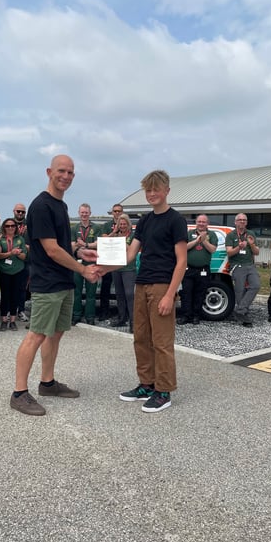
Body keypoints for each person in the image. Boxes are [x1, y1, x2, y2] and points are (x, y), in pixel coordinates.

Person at [10, 154, 99, 416]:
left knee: (56, 333)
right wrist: (82, 269)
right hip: (47, 283)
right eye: (61, 171)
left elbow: (60, 244)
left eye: (70, 172)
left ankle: (47, 383)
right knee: (36, 334)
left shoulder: (61, 205)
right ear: (49, 172)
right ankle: (19, 393)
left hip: (63, 281)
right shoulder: (41, 206)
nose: (66, 176)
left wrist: (80, 252)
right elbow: (50, 249)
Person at [100, 170, 187, 413]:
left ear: (167, 190)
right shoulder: (145, 221)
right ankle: (147, 384)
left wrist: (170, 294)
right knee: (141, 337)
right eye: (148, 190)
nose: (151, 193)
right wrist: (103, 268)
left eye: (156, 189)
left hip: (162, 285)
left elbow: (182, 261)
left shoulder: (175, 220)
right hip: (142, 283)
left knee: (161, 341)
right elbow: (130, 254)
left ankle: (164, 390)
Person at [178, 214, 218, 325]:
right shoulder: (189, 233)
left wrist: (203, 240)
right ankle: (186, 316)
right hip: (188, 269)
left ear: (207, 223)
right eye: (199, 221)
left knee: (199, 293)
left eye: (203, 222)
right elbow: (184, 247)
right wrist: (197, 240)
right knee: (186, 293)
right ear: (196, 222)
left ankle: (196, 316)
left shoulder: (212, 234)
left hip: (203, 270)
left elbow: (212, 249)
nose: (201, 224)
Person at [225, 213, 261, 327]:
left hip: (250, 265)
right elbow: (229, 252)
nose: (242, 221)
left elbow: (257, 252)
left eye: (244, 220)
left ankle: (240, 311)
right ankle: (244, 316)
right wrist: (239, 247)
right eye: (240, 220)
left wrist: (251, 244)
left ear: (246, 222)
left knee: (255, 285)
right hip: (237, 265)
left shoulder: (251, 234)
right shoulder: (231, 235)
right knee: (239, 291)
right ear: (235, 222)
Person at [0, 218, 28, 330]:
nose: (10, 228)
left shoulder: (20, 239)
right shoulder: (0, 238)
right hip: (4, 270)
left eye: (12, 226)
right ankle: (4, 320)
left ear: (15, 227)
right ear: (4, 227)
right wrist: (10, 253)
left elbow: (24, 256)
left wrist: (18, 254)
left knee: (15, 295)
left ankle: (13, 320)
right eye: (7, 226)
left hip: (18, 270)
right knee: (5, 296)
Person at [71, 203, 100, 325]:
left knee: (91, 292)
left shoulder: (96, 228)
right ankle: (76, 315)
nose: (84, 214)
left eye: (86, 212)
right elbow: (72, 245)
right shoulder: (74, 228)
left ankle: (90, 317)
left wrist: (85, 244)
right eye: (82, 212)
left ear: (90, 213)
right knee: (76, 291)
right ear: (79, 213)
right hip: (77, 264)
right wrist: (79, 246)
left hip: (92, 264)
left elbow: (98, 243)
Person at [111, 213, 136, 331]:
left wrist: (122, 243)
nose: (122, 226)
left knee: (130, 295)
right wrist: (113, 233)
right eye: (120, 224)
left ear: (128, 224)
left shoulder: (133, 235)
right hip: (116, 268)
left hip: (128, 269)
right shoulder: (116, 235)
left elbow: (133, 249)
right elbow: (106, 242)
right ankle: (122, 318)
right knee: (119, 294)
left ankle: (133, 322)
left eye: (124, 224)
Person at [99, 203, 123, 320]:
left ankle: (122, 313)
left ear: (122, 212)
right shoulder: (107, 225)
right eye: (115, 211)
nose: (117, 213)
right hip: (108, 260)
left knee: (121, 289)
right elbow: (104, 240)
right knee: (105, 287)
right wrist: (114, 232)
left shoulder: (125, 224)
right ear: (112, 212)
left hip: (121, 260)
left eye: (119, 211)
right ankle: (104, 311)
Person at [13, 203, 29, 322]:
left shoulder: (30, 224)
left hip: (26, 260)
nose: (20, 213)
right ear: (14, 211)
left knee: (22, 287)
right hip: (11, 259)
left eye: (22, 212)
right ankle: (10, 310)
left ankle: (21, 310)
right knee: (10, 287)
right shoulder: (8, 224)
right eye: (18, 211)